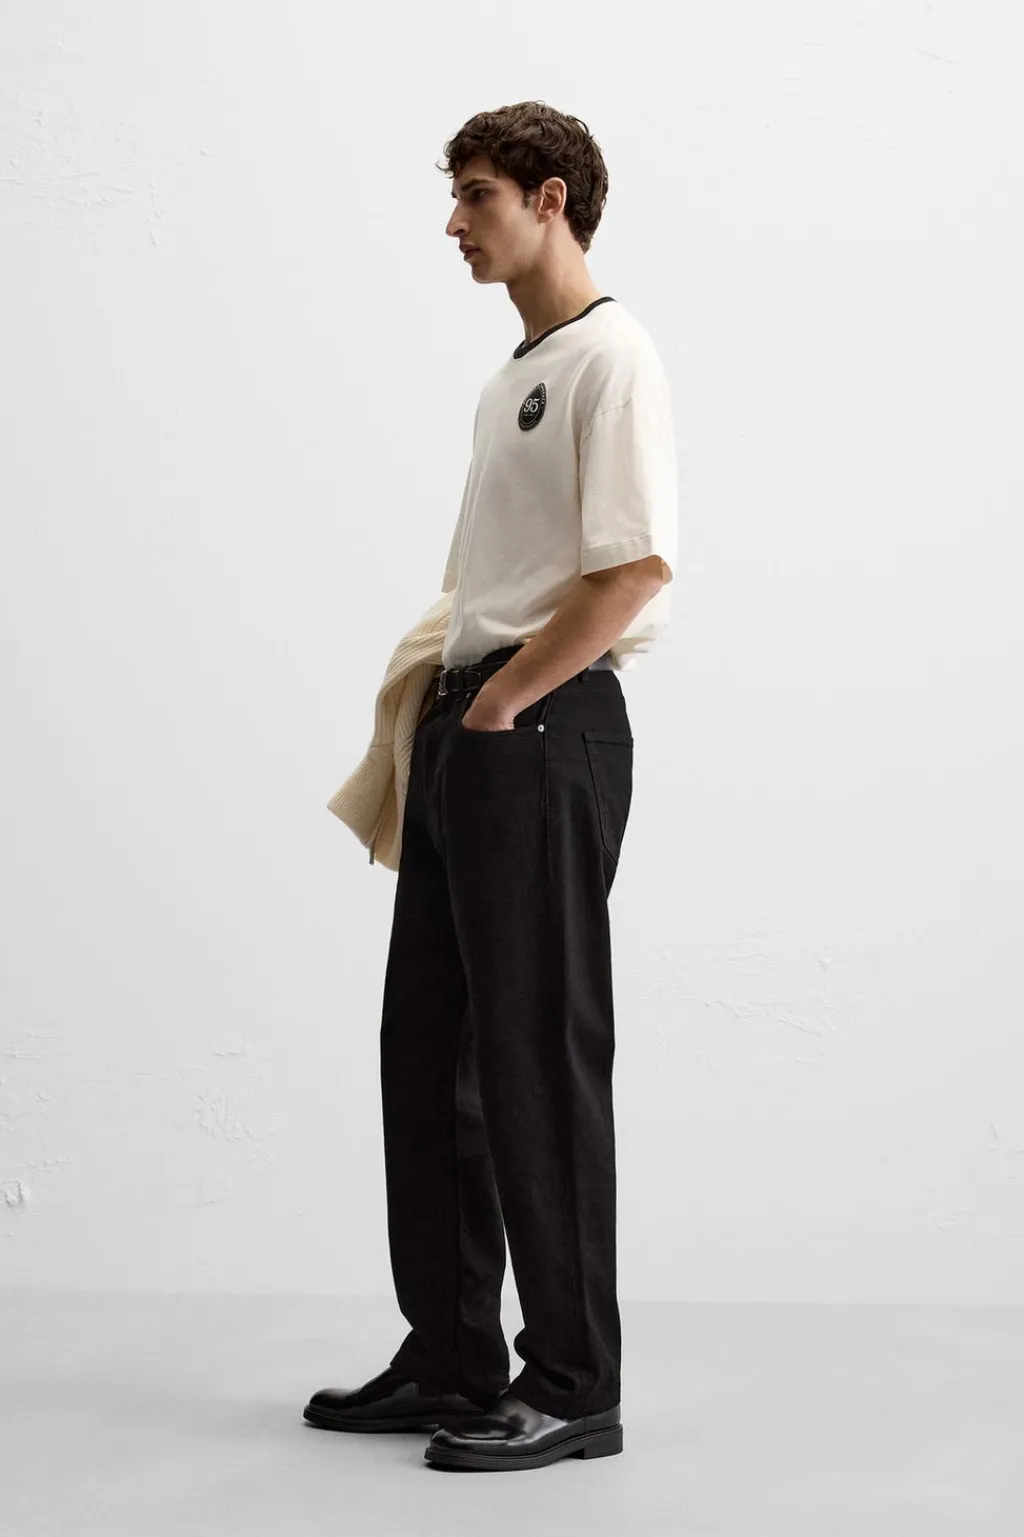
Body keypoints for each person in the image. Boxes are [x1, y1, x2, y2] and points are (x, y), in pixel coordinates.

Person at [304, 101, 679, 1472]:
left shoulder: (612, 357)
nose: (454, 222)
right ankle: (452, 1356)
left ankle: (573, 1382)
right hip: (475, 724)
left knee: (534, 1056)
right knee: (430, 1050)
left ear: (550, 197)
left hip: (543, 723)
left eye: (476, 194)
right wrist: (461, 710)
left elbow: (635, 568)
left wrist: (510, 702)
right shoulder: (516, 373)